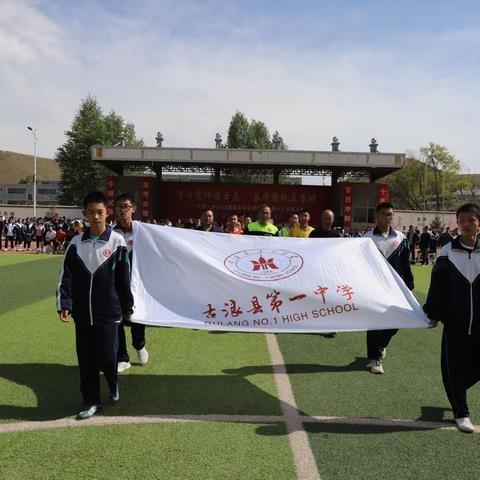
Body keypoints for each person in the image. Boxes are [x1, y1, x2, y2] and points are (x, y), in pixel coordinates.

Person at [57, 191, 133, 420]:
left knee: (108, 357)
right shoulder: (75, 243)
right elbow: (65, 276)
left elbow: (124, 278)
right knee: (86, 359)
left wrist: (127, 306)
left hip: (109, 313)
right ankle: (91, 401)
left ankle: (112, 382)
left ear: (106, 212)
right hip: (82, 314)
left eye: (100, 212)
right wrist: (65, 303)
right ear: (84, 215)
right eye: (91, 212)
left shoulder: (117, 242)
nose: (96, 216)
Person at [423, 203, 480, 433]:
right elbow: (437, 286)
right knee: (455, 366)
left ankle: (456, 390)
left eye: (471, 220)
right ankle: (461, 411)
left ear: (479, 222)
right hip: (455, 322)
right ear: (457, 224)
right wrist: (434, 313)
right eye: (462, 220)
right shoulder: (446, 252)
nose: (466, 225)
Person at [363, 202, 414, 374]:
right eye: (384, 214)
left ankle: (381, 344)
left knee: (396, 321)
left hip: (396, 289)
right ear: (377, 216)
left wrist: (410, 286)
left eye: (390, 214)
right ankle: (375, 358)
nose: (388, 217)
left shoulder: (401, 238)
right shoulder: (366, 238)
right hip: (373, 289)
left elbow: (406, 265)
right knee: (374, 323)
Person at [113, 193, 149, 373]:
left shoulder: (144, 232)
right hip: (116, 286)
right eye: (119, 206)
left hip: (138, 285)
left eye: (125, 206)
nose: (122, 210)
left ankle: (139, 344)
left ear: (133, 209)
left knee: (136, 319)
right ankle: (122, 357)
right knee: (116, 320)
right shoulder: (110, 233)